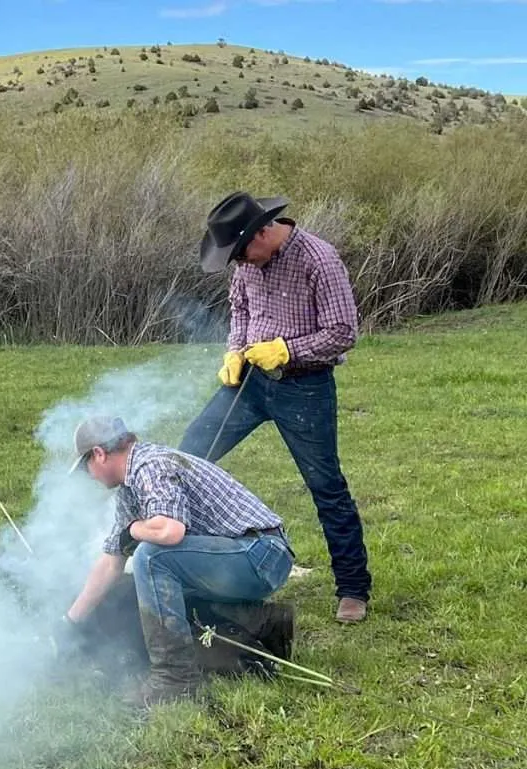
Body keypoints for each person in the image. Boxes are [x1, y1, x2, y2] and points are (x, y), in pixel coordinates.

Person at [179, 191, 372, 624]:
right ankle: (187, 562)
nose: (240, 263)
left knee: (325, 485)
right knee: (188, 457)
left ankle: (353, 589)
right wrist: (234, 350)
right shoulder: (247, 265)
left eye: (241, 252)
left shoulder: (319, 260)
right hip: (250, 381)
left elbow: (343, 332)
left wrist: (287, 350)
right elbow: (240, 309)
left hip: (304, 387)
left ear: (264, 231)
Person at [58, 416, 296, 708]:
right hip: (250, 557)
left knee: (152, 558)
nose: (90, 475)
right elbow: (111, 562)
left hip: (260, 554)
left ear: (99, 453)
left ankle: (176, 678)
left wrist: (133, 530)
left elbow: (170, 531)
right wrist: (70, 621)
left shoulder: (149, 465)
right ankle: (264, 623)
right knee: (155, 586)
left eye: (86, 467)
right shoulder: (129, 489)